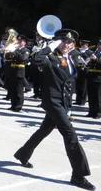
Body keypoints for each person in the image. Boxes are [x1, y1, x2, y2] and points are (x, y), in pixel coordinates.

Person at [14, 29, 95, 191]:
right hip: (52, 101)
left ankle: (23, 154)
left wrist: (89, 60)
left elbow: (79, 73)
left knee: (43, 131)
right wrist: (49, 47)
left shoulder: (72, 56)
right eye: (63, 41)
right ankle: (78, 175)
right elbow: (36, 60)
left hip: (64, 102)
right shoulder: (49, 57)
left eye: (70, 42)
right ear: (57, 42)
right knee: (70, 135)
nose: (67, 44)